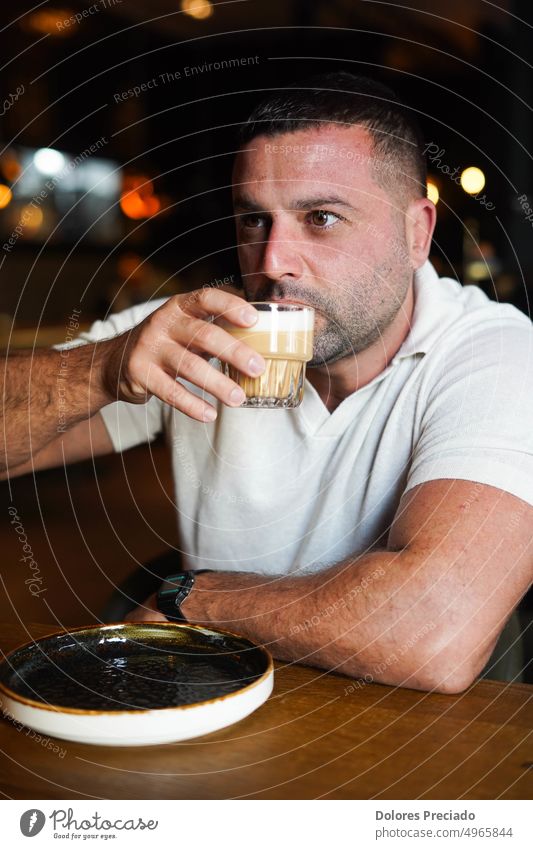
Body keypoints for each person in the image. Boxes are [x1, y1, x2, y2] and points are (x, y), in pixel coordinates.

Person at [2, 72, 532, 693]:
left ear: (417, 233)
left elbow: (434, 631)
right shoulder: (209, 328)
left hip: (414, 740)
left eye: (322, 217)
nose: (272, 260)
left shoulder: (496, 352)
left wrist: (195, 601)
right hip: (218, 712)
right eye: (255, 220)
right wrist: (100, 369)